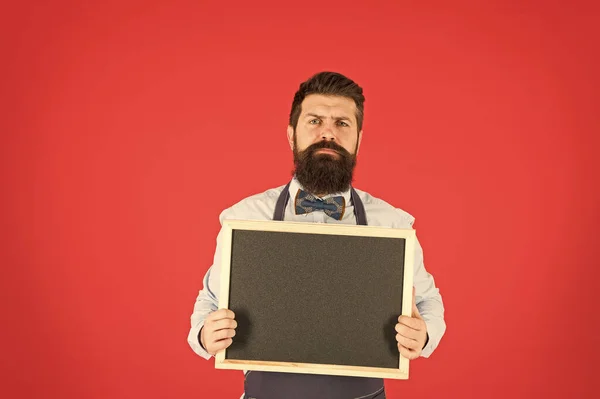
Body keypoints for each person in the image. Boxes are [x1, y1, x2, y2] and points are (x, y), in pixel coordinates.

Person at [187, 71, 446, 399]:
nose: (328, 133)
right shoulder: (245, 217)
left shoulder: (393, 224)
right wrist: (203, 335)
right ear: (291, 135)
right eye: (315, 121)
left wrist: (424, 335)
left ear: (358, 139)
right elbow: (211, 298)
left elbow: (426, 299)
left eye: (342, 123)